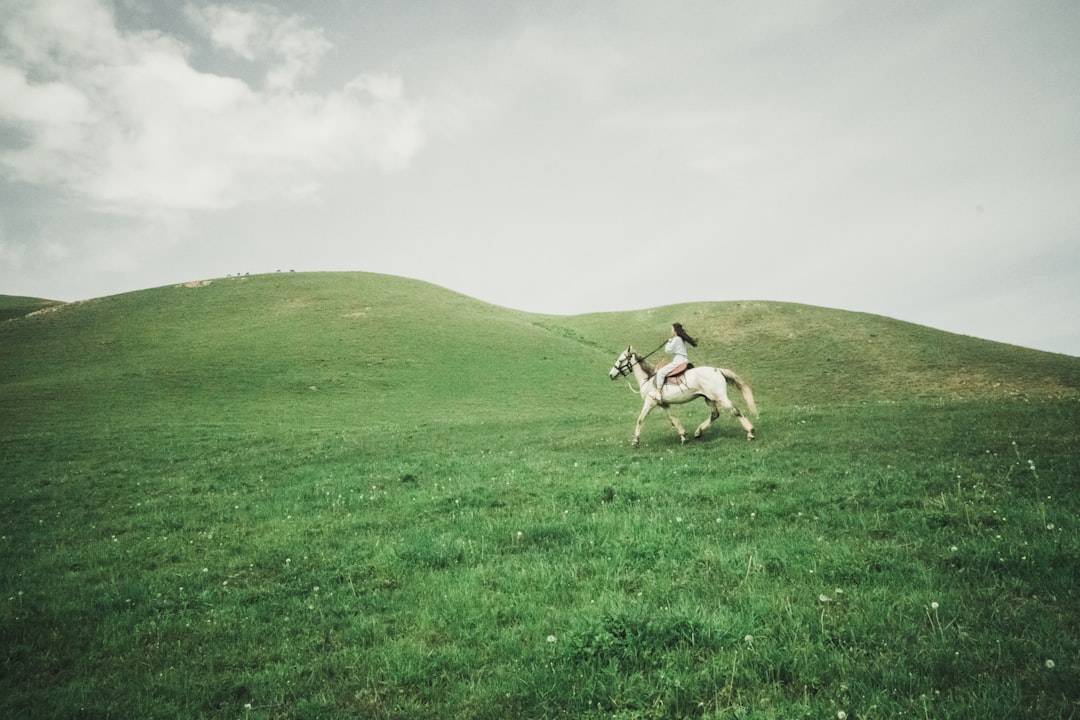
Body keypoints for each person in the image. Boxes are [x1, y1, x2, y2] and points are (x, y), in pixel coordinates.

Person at [650, 323, 697, 401]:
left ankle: (658, 393)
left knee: (661, 372)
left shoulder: (676, 339)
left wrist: (669, 342)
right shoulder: (680, 339)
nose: (671, 331)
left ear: (675, 330)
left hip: (678, 361)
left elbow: (667, 350)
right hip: (683, 359)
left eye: (672, 329)